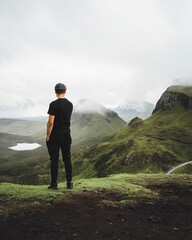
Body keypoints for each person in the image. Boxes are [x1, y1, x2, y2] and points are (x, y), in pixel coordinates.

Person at [46, 83, 73, 189]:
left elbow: (50, 123)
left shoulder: (53, 104)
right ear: (65, 91)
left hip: (55, 136)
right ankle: (69, 183)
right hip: (66, 135)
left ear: (55, 92)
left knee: (54, 159)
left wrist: (48, 135)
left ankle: (54, 184)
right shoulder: (70, 104)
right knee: (67, 158)